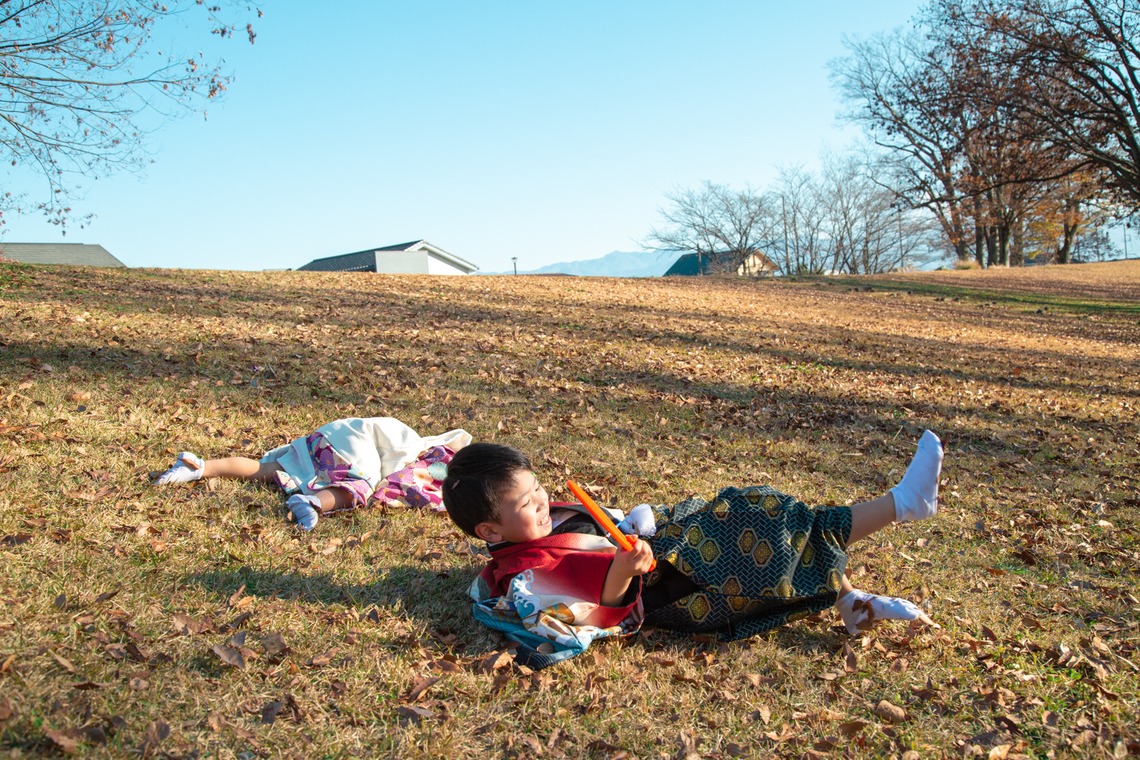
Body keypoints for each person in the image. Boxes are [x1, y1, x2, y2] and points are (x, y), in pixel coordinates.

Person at [441, 431, 943, 668]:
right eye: (524, 503)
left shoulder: (543, 523)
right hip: (674, 589)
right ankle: (902, 505)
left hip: (667, 546)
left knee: (754, 505)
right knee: (763, 530)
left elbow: (603, 526)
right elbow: (588, 617)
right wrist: (622, 570)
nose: (540, 503)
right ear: (490, 531)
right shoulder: (524, 574)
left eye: (537, 489)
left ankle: (851, 600)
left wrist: (633, 519)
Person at [153, 417, 471, 530]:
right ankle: (314, 502)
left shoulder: (413, 439)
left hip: (322, 439)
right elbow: (402, 485)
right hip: (351, 448)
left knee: (266, 469)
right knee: (358, 487)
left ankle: (201, 467)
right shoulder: (427, 455)